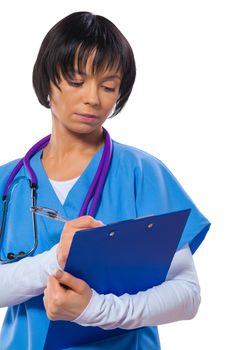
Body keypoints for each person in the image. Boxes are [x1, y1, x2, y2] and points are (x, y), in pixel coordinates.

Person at [0, 11, 211, 350]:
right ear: (47, 81)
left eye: (109, 86)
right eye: (76, 80)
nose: (94, 98)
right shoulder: (9, 183)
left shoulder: (142, 174)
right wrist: (55, 260)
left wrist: (94, 310)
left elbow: (187, 294)